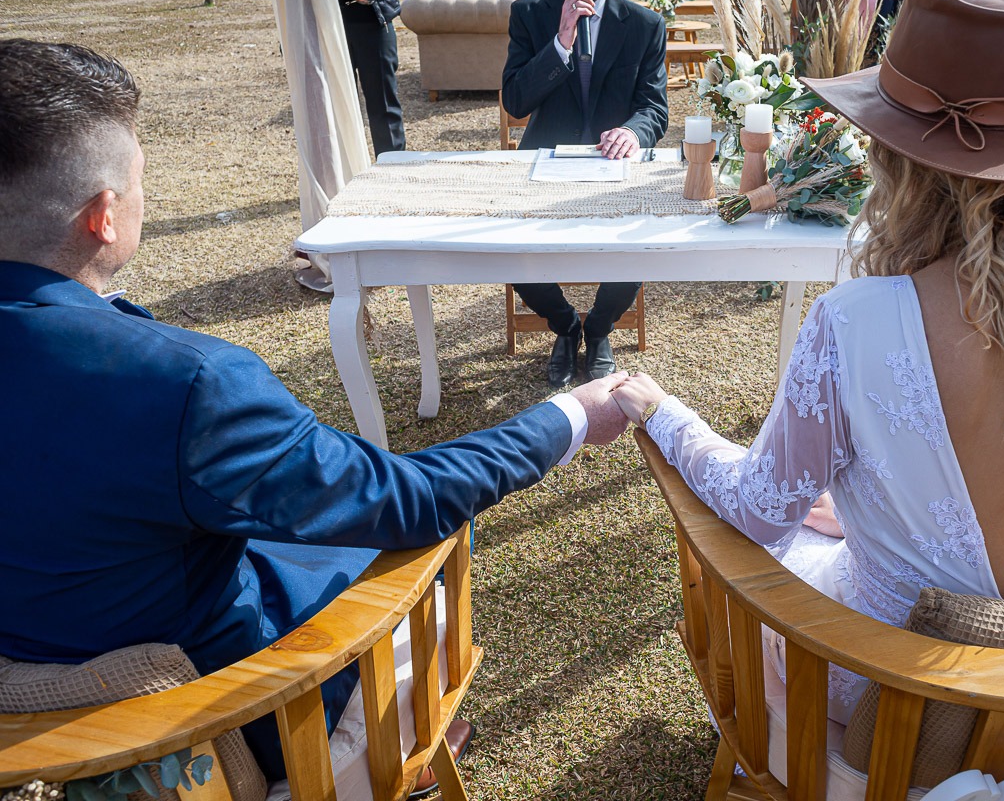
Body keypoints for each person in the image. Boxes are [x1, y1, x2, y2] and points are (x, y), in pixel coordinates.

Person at [0, 38, 628, 787]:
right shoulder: (184, 383)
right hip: (207, 722)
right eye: (139, 181)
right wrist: (573, 416)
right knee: (405, 564)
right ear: (103, 216)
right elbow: (411, 500)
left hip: (32, 702)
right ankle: (392, 755)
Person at [612, 0, 1004, 731]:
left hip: (879, 684)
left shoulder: (858, 321)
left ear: (901, 160)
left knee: (786, 540)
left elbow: (758, 515)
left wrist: (666, 415)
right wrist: (883, 519)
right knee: (826, 516)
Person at [501, 0, 668, 388]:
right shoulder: (529, 12)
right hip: (544, 167)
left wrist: (632, 131)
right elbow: (516, 101)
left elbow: (655, 109)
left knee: (638, 244)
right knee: (507, 246)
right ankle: (565, 325)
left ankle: (598, 329)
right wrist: (561, 42)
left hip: (615, 170)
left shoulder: (645, 24)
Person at [337, 0, 405, 156]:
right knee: (337, 106)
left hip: (374, 20)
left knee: (383, 104)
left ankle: (392, 170)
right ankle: (344, 175)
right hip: (328, 24)